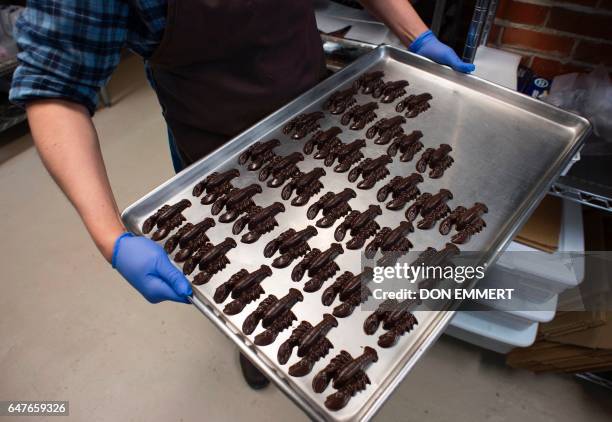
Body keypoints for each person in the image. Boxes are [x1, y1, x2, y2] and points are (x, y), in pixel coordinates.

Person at [10, 0, 474, 390]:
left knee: (345, 236)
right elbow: (56, 89)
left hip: (316, 104)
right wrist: (111, 235)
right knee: (250, 262)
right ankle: (265, 340)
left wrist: (417, 36)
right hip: (216, 142)